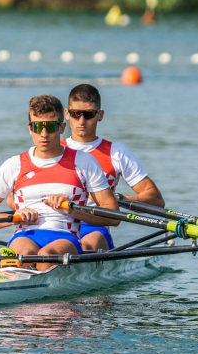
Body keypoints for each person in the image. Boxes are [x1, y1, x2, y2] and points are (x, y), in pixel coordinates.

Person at [0, 94, 119, 271]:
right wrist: (13, 217)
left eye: (50, 126)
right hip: (25, 235)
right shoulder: (14, 165)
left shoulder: (84, 162)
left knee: (45, 257)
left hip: (65, 236)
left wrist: (71, 209)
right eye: (37, 127)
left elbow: (112, 215)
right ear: (29, 128)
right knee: (24, 256)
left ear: (62, 127)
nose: (43, 134)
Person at [62, 83, 165, 251]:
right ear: (67, 114)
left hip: (93, 225)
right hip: (58, 222)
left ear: (100, 115)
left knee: (89, 245)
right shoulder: (52, 150)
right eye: (76, 114)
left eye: (88, 114)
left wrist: (117, 199)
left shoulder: (115, 152)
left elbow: (155, 199)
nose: (81, 121)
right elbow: (15, 199)